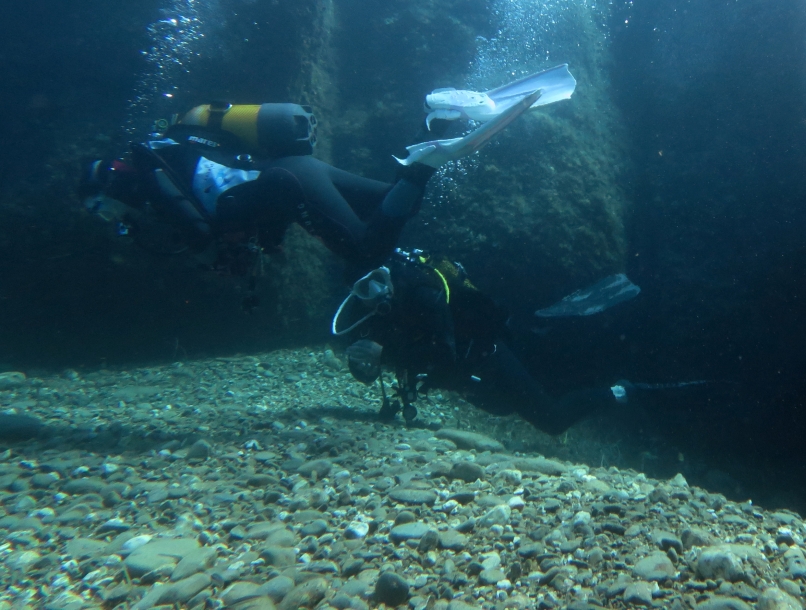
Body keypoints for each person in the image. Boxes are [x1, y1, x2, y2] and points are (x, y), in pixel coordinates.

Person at [78, 65, 573, 281]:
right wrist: (264, 238)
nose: (109, 216)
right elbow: (236, 192)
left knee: (365, 252)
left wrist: (218, 253)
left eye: (101, 207)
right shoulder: (172, 148)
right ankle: (439, 125)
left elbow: (200, 227)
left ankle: (425, 162)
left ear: (110, 184)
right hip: (296, 170)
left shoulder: (152, 175)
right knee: (395, 204)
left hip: (286, 181)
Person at [334, 250, 632, 435]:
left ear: (387, 272)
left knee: (552, 420)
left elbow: (444, 355)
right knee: (503, 407)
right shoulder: (366, 314)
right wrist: (366, 365)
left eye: (377, 280)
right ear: (354, 293)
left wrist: (384, 355)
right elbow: (366, 370)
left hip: (485, 355)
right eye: (364, 289)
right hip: (464, 375)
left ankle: (618, 392)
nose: (377, 293)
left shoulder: (422, 294)